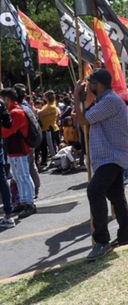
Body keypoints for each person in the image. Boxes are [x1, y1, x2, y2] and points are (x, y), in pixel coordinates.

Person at [73, 69, 128, 260]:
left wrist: (76, 98)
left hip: (112, 157)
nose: (88, 86)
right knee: (116, 196)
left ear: (97, 85)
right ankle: (125, 237)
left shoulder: (109, 101)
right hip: (110, 157)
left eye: (90, 83)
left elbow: (82, 120)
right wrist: (85, 101)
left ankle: (102, 241)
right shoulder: (104, 100)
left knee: (94, 191)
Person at [0, 88, 37, 219]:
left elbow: (6, 132)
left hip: (20, 149)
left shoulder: (16, 112)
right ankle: (23, 201)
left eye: (3, 99)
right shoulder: (12, 111)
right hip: (14, 150)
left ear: (7, 99)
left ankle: (30, 203)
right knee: (18, 176)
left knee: (24, 176)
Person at [0, 96, 15, 228]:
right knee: (3, 180)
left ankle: (9, 215)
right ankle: (9, 214)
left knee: (3, 180)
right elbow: (8, 123)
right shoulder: (1, 104)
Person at [36, 91, 60, 168]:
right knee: (47, 146)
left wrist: (33, 107)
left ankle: (56, 161)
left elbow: (40, 113)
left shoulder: (51, 106)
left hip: (50, 128)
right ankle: (52, 161)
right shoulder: (47, 105)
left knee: (51, 146)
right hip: (45, 128)